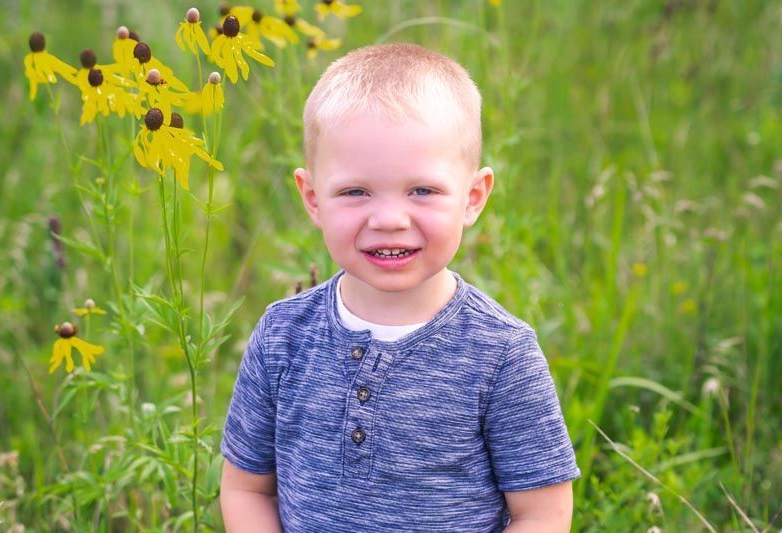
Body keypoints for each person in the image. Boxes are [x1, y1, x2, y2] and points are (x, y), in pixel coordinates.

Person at [220, 42, 580, 532]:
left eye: (422, 191)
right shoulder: (283, 335)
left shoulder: (500, 353)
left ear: (473, 198)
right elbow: (246, 487)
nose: (389, 220)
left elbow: (542, 513)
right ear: (312, 198)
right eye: (355, 192)